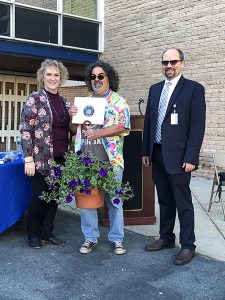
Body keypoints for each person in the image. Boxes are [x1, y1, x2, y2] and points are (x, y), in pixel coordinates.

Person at [142, 48, 206, 265]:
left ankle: (188, 245)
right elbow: (149, 122)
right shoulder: (155, 89)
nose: (169, 66)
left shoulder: (193, 89)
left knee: (183, 202)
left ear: (182, 63)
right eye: (165, 62)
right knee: (165, 200)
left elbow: (197, 127)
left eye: (173, 62)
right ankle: (167, 238)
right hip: (157, 153)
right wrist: (146, 151)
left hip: (180, 157)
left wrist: (192, 157)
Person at [74, 60, 130, 255]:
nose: (96, 80)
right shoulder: (86, 102)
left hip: (112, 161)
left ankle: (117, 239)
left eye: (100, 76)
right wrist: (74, 116)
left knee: (114, 201)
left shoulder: (119, 102)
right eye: (93, 77)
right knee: (88, 200)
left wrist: (98, 133)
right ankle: (90, 238)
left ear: (108, 78)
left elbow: (123, 126)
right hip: (88, 159)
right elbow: (76, 129)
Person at [20, 59, 76, 249]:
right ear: (42, 77)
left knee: (53, 198)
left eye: (56, 75)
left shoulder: (64, 101)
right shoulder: (34, 99)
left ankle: (47, 232)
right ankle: (33, 234)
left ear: (61, 78)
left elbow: (73, 129)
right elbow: (26, 129)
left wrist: (76, 116)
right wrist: (28, 159)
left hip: (61, 157)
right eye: (49, 74)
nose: (53, 78)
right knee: (40, 197)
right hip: (40, 158)